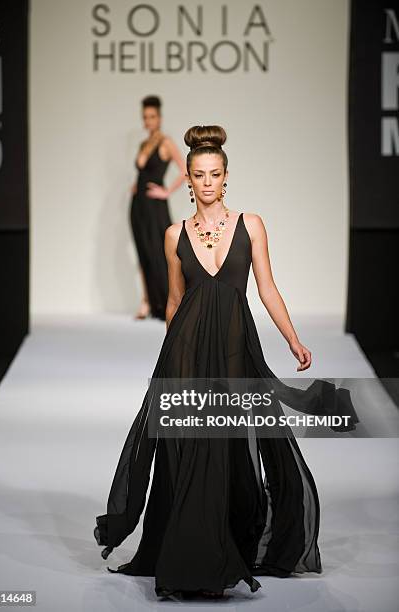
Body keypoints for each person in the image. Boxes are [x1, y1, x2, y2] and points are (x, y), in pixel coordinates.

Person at [95, 125, 359, 600]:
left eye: (214, 174)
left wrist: (293, 339)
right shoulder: (173, 233)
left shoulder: (251, 225)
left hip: (238, 354)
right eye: (198, 175)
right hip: (186, 355)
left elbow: (268, 288)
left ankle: (230, 546)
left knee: (237, 449)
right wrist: (167, 361)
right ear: (189, 179)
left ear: (226, 176)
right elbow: (175, 302)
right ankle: (195, 562)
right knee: (192, 453)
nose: (206, 182)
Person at [130, 95, 187, 320]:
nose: (148, 120)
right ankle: (147, 301)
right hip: (138, 205)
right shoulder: (144, 144)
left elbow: (184, 169)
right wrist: (137, 186)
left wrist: (167, 191)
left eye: (152, 116)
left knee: (162, 252)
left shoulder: (166, 142)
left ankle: (169, 301)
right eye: (145, 116)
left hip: (155, 205)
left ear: (160, 118)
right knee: (142, 250)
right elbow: (143, 171)